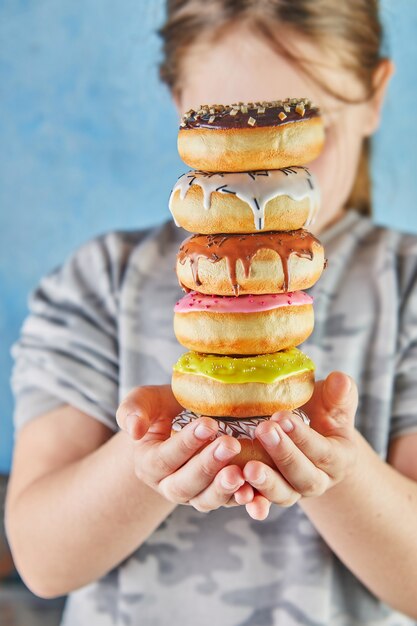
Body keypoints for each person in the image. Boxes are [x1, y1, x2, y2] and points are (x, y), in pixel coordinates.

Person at [5, 1, 417, 624]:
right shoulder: (99, 283)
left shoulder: (407, 288)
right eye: (227, 133)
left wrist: (342, 471)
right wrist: (142, 459)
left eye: (301, 127)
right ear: (180, 107)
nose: (257, 180)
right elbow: (41, 558)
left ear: (373, 95)